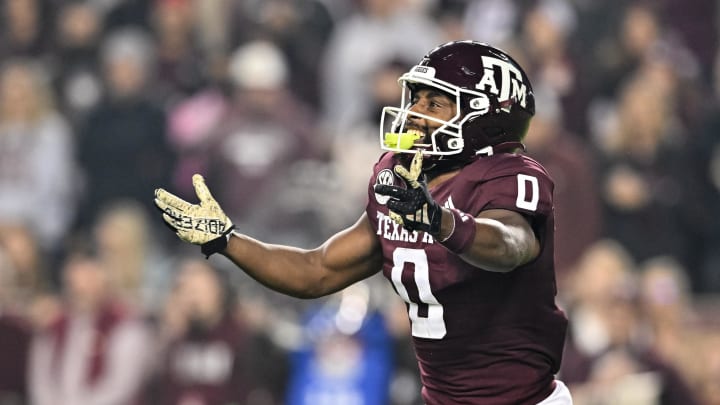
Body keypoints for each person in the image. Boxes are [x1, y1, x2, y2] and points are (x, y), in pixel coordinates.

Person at [154, 40, 571, 404]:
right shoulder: (401, 176)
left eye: (434, 102)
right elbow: (317, 271)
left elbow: (511, 245)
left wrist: (437, 219)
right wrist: (228, 240)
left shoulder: (510, 174)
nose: (414, 113)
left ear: (484, 116)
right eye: (416, 99)